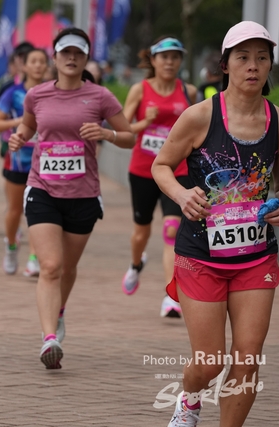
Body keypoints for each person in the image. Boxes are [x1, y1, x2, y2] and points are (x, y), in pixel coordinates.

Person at [152, 21, 279, 427]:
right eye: (243, 57)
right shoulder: (200, 116)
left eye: (262, 58)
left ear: (270, 65)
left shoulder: (277, 121)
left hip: (256, 257)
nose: (253, 66)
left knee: (248, 358)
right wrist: (181, 195)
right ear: (225, 65)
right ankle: (189, 401)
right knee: (209, 362)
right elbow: (161, 166)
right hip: (201, 257)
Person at [8, 28, 134, 369]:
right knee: (50, 265)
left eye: (78, 53)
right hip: (43, 189)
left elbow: (129, 137)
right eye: (66, 52)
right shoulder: (36, 95)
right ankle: (49, 337)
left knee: (67, 267)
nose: (72, 58)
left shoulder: (101, 96)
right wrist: (19, 138)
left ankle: (59, 310)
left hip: (83, 194)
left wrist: (106, 133)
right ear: (55, 57)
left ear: (86, 58)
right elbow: (28, 127)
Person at [121, 36, 197, 318]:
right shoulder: (139, 90)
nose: (170, 62)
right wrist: (146, 122)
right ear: (153, 60)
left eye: (175, 57)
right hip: (143, 170)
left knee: (171, 230)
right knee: (141, 232)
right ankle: (135, 264)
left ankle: (170, 296)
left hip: (177, 170)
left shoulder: (188, 91)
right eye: (164, 57)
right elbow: (123, 129)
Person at [0, 48, 49, 276]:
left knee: (39, 210)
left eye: (42, 61)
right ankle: (11, 246)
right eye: (33, 61)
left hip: (45, 162)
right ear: (24, 66)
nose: (38, 65)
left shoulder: (52, 93)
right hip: (17, 161)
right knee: (15, 211)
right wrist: (22, 123)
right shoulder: (13, 93)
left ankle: (35, 257)